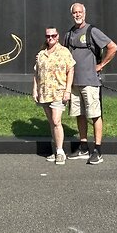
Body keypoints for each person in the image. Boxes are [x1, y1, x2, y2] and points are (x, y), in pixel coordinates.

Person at [63, 2, 117, 164]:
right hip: (74, 83)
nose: (77, 15)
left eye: (80, 12)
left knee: (94, 115)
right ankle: (83, 147)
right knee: (79, 115)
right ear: (71, 14)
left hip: (90, 82)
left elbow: (113, 47)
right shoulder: (69, 34)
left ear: (84, 14)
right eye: (75, 12)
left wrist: (101, 65)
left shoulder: (92, 31)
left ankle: (98, 150)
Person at [32, 25, 75, 165]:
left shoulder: (64, 52)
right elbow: (36, 73)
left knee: (56, 121)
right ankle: (56, 149)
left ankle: (61, 152)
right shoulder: (41, 54)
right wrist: (35, 89)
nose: (50, 38)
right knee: (51, 122)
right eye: (48, 36)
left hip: (59, 92)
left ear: (58, 36)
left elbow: (71, 70)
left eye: (53, 36)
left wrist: (68, 90)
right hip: (45, 92)